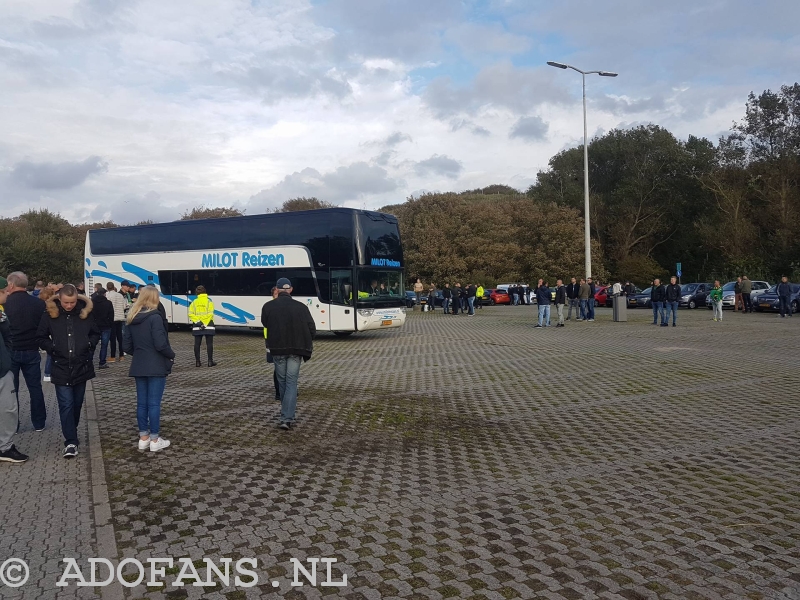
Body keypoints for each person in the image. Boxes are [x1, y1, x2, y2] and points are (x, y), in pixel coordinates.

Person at [37, 284, 100, 458]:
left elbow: (96, 333)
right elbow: (40, 336)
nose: (69, 305)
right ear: (60, 299)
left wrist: (89, 344)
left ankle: (71, 430)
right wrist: (53, 347)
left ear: (77, 300)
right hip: (61, 366)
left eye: (72, 302)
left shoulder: (85, 314)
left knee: (77, 404)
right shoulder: (50, 314)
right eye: (66, 302)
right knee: (66, 405)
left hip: (82, 366)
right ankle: (71, 441)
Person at [122, 286, 175, 453]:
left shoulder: (131, 317)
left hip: (139, 364)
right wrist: (171, 354)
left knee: (142, 404)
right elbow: (160, 343)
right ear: (154, 298)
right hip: (156, 364)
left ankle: (143, 438)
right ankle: (154, 439)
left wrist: (140, 353)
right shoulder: (155, 317)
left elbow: (126, 346)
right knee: (154, 404)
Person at [260, 278, 315, 430]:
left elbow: (265, 323)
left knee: (283, 381)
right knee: (291, 383)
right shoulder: (301, 307)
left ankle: (285, 415)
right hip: (296, 350)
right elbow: (312, 328)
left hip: (277, 349)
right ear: (290, 289)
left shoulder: (268, 306)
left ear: (277, 290)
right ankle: (287, 418)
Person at [4, 272, 47, 431]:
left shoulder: (5, 304)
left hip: (11, 351)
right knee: (35, 387)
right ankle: (39, 422)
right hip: (31, 349)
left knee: (11, 390)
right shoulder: (38, 303)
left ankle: (14, 425)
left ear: (11, 285)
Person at [0, 280, 28, 463]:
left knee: (8, 410)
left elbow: (7, 336)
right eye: (4, 292)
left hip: (3, 370)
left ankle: (5, 447)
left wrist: (6, 359)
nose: (8, 295)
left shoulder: (1, 313)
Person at [188, 285, 217, 367]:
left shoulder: (194, 302)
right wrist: (205, 324)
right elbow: (210, 314)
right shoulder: (209, 302)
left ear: (197, 293)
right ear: (205, 292)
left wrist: (199, 323)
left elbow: (190, 314)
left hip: (198, 325)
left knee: (197, 344)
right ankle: (210, 362)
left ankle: (198, 362)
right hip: (208, 325)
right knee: (209, 344)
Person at [264, 287, 281, 400]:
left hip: (284, 339)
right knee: (278, 368)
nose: (278, 296)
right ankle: (278, 392)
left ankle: (290, 389)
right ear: (273, 295)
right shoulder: (269, 306)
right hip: (272, 340)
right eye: (276, 294)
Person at [106, 282, 127, 363]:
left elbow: (108, 307)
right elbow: (124, 306)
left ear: (107, 288)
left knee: (113, 338)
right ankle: (121, 355)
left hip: (112, 318)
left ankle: (113, 356)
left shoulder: (108, 295)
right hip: (120, 317)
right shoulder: (120, 295)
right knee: (120, 338)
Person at [38, 287, 55, 382]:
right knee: (51, 352)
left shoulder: (37, 304)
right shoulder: (50, 305)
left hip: (42, 330)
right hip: (49, 330)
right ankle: (48, 372)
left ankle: (47, 373)